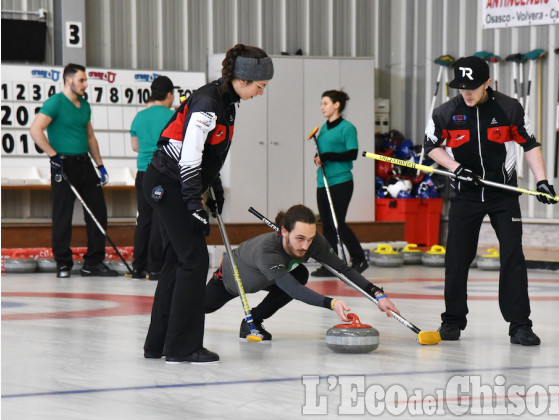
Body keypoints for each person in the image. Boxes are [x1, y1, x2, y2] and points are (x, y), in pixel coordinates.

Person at [142, 44, 274, 363]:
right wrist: (193, 204)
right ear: (243, 79)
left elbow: (207, 153)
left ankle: (158, 344)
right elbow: (188, 156)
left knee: (179, 261)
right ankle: (182, 347)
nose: (260, 93)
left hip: (176, 183)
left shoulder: (226, 102)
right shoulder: (208, 102)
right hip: (168, 183)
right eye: (260, 86)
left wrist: (212, 187)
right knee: (194, 260)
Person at [423, 56, 557, 346]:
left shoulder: (509, 108)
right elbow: (431, 147)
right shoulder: (445, 113)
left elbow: (529, 144)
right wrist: (456, 168)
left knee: (512, 257)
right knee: (457, 259)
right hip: (466, 195)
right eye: (461, 87)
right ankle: (452, 321)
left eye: (472, 86)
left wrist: (542, 181)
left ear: (487, 83)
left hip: (503, 193)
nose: (467, 93)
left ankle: (520, 325)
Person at [204, 204, 400, 340]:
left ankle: (252, 322)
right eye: (299, 238)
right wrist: (331, 303)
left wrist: (377, 294)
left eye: (310, 238)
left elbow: (343, 269)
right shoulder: (267, 251)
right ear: (284, 231)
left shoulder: (312, 241)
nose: (306, 246)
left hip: (267, 279)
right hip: (232, 279)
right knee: (202, 308)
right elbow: (293, 289)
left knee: (301, 274)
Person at [30, 63, 118, 278]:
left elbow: (90, 136)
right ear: (68, 80)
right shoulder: (55, 103)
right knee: (63, 214)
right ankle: (63, 263)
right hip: (63, 164)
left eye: (86, 80)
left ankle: (93, 263)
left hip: (84, 163)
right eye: (82, 80)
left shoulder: (85, 105)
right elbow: (35, 130)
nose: (85, 84)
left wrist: (100, 165)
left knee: (97, 211)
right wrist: (53, 155)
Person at [311, 90, 369, 277]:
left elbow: (352, 153)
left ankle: (359, 258)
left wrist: (328, 156)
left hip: (341, 181)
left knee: (338, 223)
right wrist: (318, 158)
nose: (322, 107)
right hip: (323, 181)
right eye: (321, 104)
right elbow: (322, 152)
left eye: (325, 103)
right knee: (326, 224)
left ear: (337, 105)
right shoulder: (323, 128)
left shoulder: (347, 128)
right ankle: (332, 264)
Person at [128, 76, 175, 280]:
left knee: (144, 218)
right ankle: (155, 267)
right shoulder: (173, 116)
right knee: (160, 218)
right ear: (169, 94)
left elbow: (135, 147)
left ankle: (138, 266)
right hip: (162, 173)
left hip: (142, 173)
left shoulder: (139, 116)